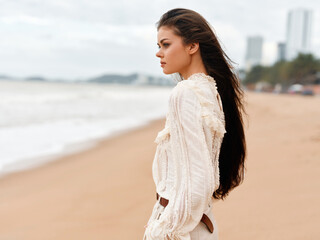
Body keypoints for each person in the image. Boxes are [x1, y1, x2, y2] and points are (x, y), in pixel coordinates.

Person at [143, 8, 247, 240]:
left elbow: (197, 179)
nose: (159, 53)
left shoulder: (185, 92)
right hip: (201, 225)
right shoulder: (212, 92)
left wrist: (166, 231)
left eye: (166, 44)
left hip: (181, 228)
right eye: (158, 46)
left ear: (192, 46)